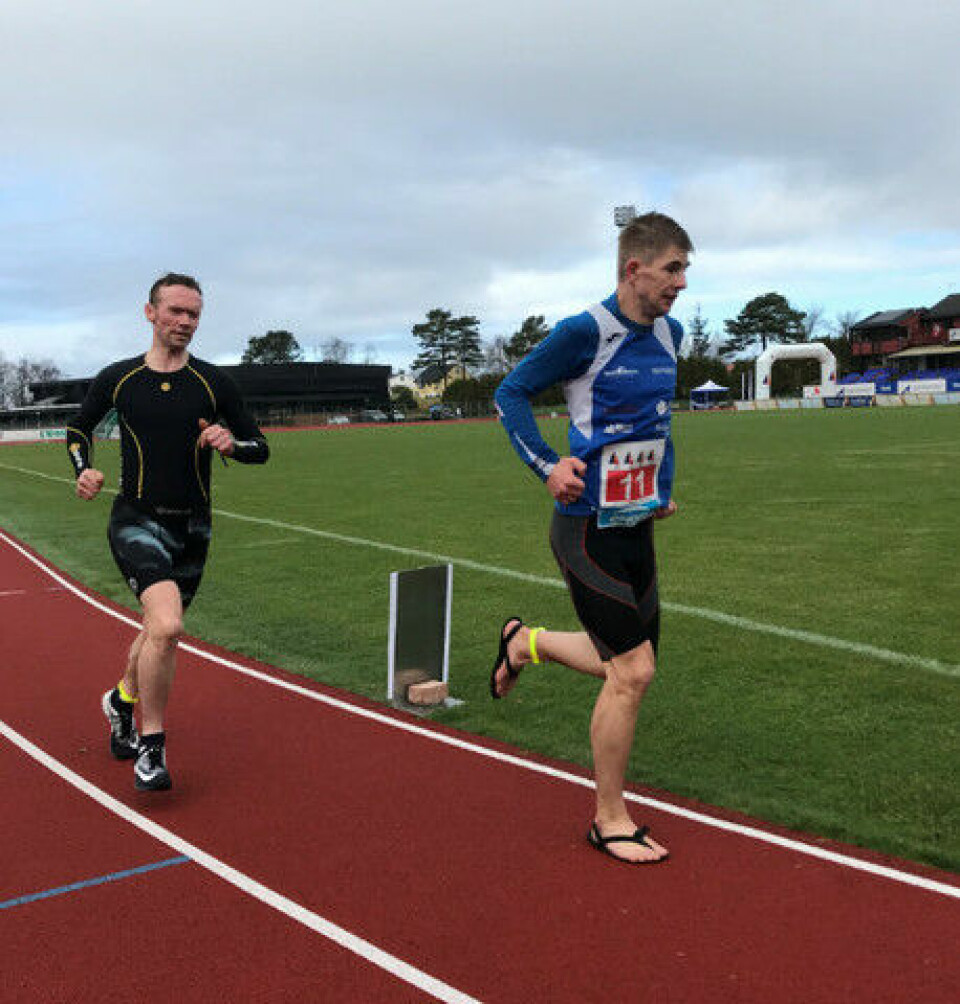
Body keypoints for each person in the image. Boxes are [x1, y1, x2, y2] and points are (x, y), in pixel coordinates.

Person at [491, 212, 692, 864]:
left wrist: (659, 488)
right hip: (586, 530)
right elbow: (510, 392)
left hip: (638, 527)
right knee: (633, 672)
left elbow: (656, 421)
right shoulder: (584, 333)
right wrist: (547, 465)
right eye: (672, 269)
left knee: (626, 664)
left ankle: (524, 644)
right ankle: (609, 817)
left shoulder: (672, 333)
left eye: (685, 270)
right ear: (634, 269)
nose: (681, 284)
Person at [66, 273, 269, 791]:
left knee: (157, 630)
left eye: (194, 314)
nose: (185, 322)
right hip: (136, 518)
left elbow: (259, 446)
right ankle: (150, 748)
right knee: (169, 626)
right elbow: (77, 429)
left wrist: (231, 444)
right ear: (150, 312)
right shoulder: (119, 378)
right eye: (175, 311)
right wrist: (82, 469)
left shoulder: (213, 383)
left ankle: (119, 700)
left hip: (194, 527)